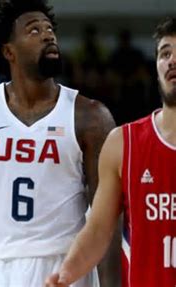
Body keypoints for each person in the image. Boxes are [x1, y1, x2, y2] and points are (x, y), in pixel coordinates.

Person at [0, 0, 117, 286]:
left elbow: (107, 220)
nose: (47, 35)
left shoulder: (90, 117)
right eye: (34, 30)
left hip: (62, 266)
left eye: (49, 29)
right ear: (9, 51)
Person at [45, 16, 176, 287]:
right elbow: (98, 230)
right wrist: (66, 274)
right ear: (156, 67)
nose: (172, 60)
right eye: (165, 53)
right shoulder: (123, 143)